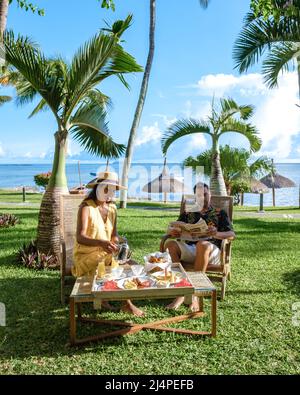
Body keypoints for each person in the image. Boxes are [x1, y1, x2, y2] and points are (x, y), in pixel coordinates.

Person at [72, 170, 144, 317]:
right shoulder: (86, 207)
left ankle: (113, 297)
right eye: (106, 188)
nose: (109, 192)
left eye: (112, 189)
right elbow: (80, 237)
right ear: (97, 188)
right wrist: (101, 243)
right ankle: (126, 304)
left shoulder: (112, 208)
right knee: (121, 267)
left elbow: (114, 235)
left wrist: (116, 244)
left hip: (106, 254)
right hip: (87, 256)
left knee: (133, 263)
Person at [164, 182, 235, 311]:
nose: (202, 197)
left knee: (202, 245)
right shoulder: (189, 212)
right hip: (190, 247)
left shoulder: (220, 213)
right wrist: (172, 231)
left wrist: (216, 233)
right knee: (170, 245)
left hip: (211, 251)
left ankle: (195, 294)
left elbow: (231, 234)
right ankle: (181, 290)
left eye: (205, 194)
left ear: (210, 195)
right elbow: (176, 226)